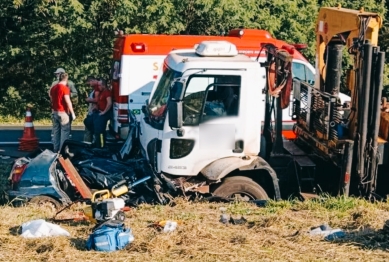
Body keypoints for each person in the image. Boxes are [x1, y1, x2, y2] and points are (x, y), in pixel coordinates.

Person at [49, 72, 76, 152]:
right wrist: (73, 113)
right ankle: (62, 150)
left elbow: (51, 99)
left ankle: (55, 148)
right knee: (65, 131)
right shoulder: (65, 88)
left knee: (56, 131)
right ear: (66, 79)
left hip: (55, 111)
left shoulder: (53, 88)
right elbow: (68, 101)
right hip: (63, 112)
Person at [84, 79, 112, 148]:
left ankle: (101, 146)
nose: (98, 86)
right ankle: (95, 136)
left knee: (99, 131)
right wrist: (96, 107)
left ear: (103, 85)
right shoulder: (101, 92)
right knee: (87, 121)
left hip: (103, 114)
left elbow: (109, 103)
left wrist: (104, 112)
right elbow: (98, 102)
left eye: (99, 85)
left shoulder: (107, 92)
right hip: (98, 112)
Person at [83, 76, 101, 142]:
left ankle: (87, 144)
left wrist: (88, 100)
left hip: (93, 113)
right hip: (92, 112)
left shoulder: (97, 89)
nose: (89, 85)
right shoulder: (95, 89)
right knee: (89, 131)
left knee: (89, 131)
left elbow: (96, 100)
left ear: (92, 80)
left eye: (89, 83)